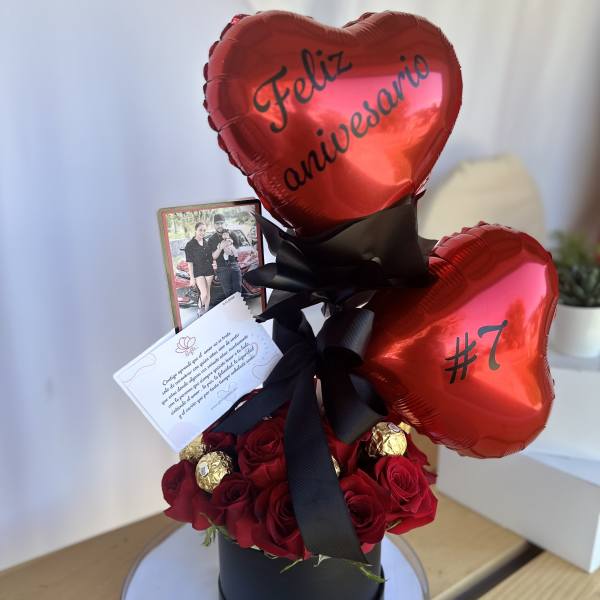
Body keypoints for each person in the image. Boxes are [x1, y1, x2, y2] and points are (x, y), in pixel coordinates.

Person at [208, 213, 242, 299]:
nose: (220, 225)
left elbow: (238, 251)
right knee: (228, 293)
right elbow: (213, 257)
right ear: (214, 224)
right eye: (217, 223)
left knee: (238, 290)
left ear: (225, 223)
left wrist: (230, 247)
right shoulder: (211, 239)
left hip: (234, 265)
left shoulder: (232, 234)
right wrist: (220, 248)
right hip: (221, 268)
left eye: (221, 223)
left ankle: (239, 306)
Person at [184, 222, 214, 315]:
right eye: (200, 230)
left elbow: (210, 257)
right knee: (203, 293)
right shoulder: (190, 245)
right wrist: (192, 278)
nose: (202, 232)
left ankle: (206, 312)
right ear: (195, 230)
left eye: (204, 230)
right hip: (198, 271)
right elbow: (190, 263)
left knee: (208, 294)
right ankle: (199, 312)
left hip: (209, 270)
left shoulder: (206, 242)